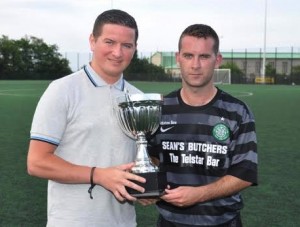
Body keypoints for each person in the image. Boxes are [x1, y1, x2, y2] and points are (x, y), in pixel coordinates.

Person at [27, 9, 146, 227]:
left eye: (127, 45)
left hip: (124, 222)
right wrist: (99, 175)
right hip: (72, 221)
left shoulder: (138, 99)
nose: (117, 53)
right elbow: (37, 162)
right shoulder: (62, 90)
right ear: (92, 41)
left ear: (135, 49)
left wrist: (147, 187)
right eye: (109, 42)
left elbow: (142, 161)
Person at [146, 24, 258, 227]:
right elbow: (151, 158)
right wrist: (148, 187)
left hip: (223, 222)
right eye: (188, 56)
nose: (195, 65)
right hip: (170, 221)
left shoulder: (238, 111)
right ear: (178, 57)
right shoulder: (160, 109)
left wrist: (198, 194)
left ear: (217, 60)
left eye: (204, 56)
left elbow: (245, 173)